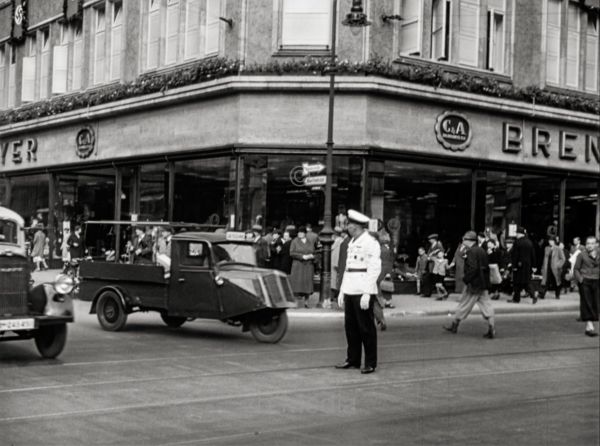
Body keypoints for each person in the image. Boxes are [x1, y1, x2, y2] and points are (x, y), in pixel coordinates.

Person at [335, 210, 381, 374]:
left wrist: (368, 293)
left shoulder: (370, 242)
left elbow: (374, 269)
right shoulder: (352, 242)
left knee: (366, 328)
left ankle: (370, 362)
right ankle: (353, 359)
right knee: (351, 328)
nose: (347, 227)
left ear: (355, 226)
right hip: (350, 288)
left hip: (363, 288)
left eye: (349, 224)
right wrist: (342, 291)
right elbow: (348, 268)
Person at [444, 231, 495, 339]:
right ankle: (491, 327)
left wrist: (466, 279)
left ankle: (455, 325)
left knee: (464, 305)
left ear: (469, 241)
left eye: (464, 240)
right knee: (487, 306)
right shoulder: (482, 250)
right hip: (483, 284)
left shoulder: (471, 252)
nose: (463, 242)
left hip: (474, 284)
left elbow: (473, 268)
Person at [573, 236, 599, 337]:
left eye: (592, 243)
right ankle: (589, 326)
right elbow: (576, 269)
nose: (589, 245)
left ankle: (590, 325)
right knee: (587, 303)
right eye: (588, 243)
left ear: (596, 244)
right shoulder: (581, 255)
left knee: (595, 303)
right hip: (585, 281)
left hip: (596, 281)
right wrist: (581, 280)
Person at [508, 226, 537, 304]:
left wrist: (514, 266)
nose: (516, 235)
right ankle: (532, 296)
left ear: (519, 234)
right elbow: (533, 255)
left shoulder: (517, 242)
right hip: (527, 266)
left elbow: (515, 255)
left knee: (517, 282)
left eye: (517, 233)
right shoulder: (529, 242)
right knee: (526, 282)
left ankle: (517, 299)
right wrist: (534, 266)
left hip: (518, 266)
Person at [289, 226, 315, 307]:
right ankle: (295, 303)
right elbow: (291, 253)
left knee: (307, 284)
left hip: (308, 266)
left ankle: (306, 302)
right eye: (299, 232)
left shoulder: (309, 241)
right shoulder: (294, 241)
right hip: (298, 266)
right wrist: (302, 256)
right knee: (297, 284)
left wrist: (312, 256)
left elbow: (313, 251)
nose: (299, 234)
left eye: (301, 232)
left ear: (305, 233)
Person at [330, 226, 345, 302]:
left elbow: (336, 253)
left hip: (334, 263)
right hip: (338, 263)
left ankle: (334, 296)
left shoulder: (336, 242)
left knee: (334, 280)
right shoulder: (342, 241)